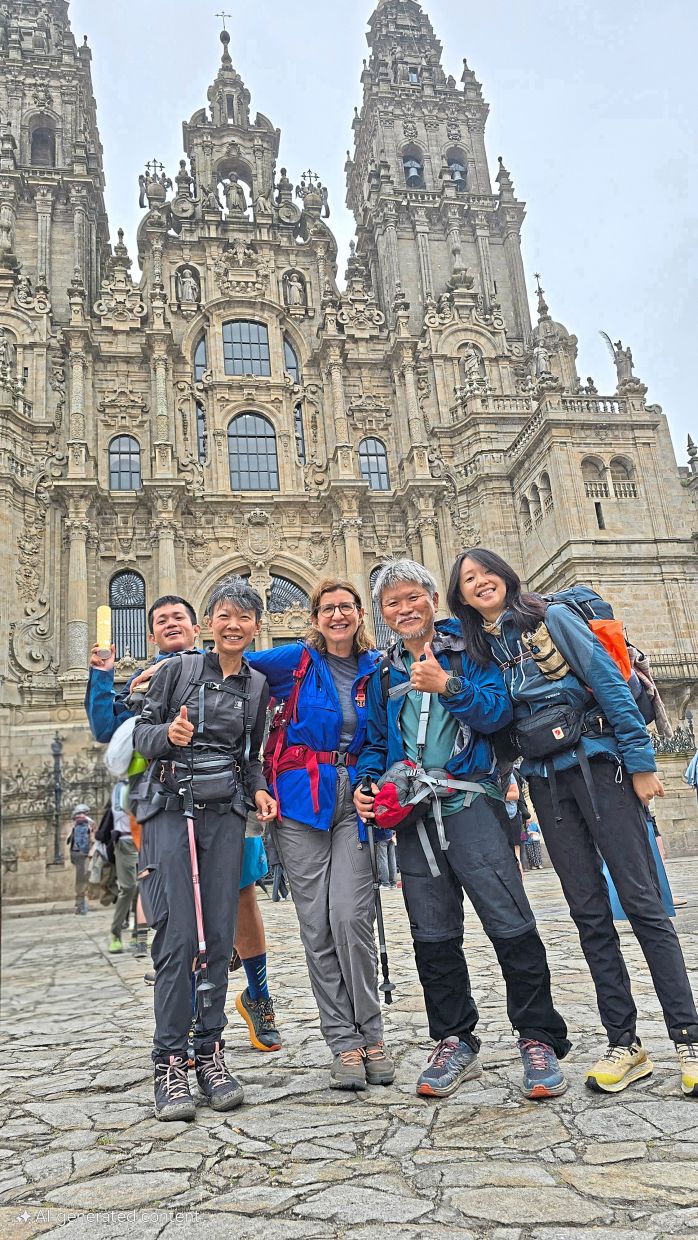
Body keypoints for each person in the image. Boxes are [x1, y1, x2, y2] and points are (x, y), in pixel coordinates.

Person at [449, 546, 698, 1098]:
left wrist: (640, 763)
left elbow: (609, 684)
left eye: (487, 571)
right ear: (460, 596)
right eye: (468, 579)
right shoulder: (484, 652)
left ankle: (689, 1038)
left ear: (505, 576)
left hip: (601, 771)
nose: (480, 582)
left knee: (644, 904)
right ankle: (625, 1043)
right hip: (546, 785)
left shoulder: (552, 617)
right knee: (587, 911)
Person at [355, 559, 570, 1101]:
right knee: (432, 932)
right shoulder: (383, 672)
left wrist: (448, 685)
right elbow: (379, 742)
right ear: (382, 614)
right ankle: (454, 1037)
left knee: (510, 921)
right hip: (414, 816)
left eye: (412, 598)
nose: (404, 610)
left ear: (432, 597)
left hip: (471, 804)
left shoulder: (467, 649)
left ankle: (538, 1036)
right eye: (391, 603)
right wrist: (365, 782)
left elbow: (497, 713)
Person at [86, 594, 281, 1052]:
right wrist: (104, 676)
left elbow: (252, 744)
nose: (170, 624)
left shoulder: (244, 678)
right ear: (152, 635)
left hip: (226, 799)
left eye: (179, 617)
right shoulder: (153, 677)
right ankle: (187, 1025)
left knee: (241, 894)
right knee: (180, 917)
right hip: (167, 803)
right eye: (160, 621)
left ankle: (259, 995)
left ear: (198, 628)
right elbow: (107, 727)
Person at [133, 577, 276, 1121]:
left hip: (225, 813)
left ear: (256, 627)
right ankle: (168, 1061)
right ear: (209, 623)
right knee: (177, 939)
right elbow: (141, 739)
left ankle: (210, 1052)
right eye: (224, 615)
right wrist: (169, 735)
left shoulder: (258, 687)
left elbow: (252, 755)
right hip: (172, 811)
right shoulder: (176, 672)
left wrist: (259, 787)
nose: (233, 624)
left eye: (244, 617)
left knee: (219, 935)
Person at [247, 578, 395, 1092]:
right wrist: (167, 664)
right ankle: (344, 1043)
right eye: (328, 609)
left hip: (356, 798)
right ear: (315, 617)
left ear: (360, 614)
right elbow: (228, 665)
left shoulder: (376, 669)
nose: (337, 616)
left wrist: (372, 782)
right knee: (317, 926)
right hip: (299, 803)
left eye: (345, 608)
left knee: (352, 918)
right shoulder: (293, 661)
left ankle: (371, 1032)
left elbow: (383, 734)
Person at [107, 780, 139, 954]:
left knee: (142, 890)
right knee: (128, 888)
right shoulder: (121, 787)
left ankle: (138, 934)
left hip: (144, 842)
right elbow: (123, 810)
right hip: (126, 842)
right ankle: (115, 933)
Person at [68, 804, 93, 914]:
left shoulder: (75, 826)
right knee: (82, 881)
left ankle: (79, 904)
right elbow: (83, 842)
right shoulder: (83, 826)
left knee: (80, 880)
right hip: (82, 855)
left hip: (76, 854)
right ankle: (81, 905)